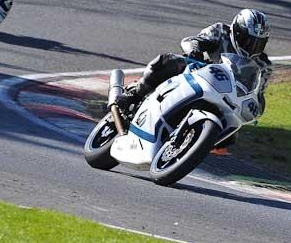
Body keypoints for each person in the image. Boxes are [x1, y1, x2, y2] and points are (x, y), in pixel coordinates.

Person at [115, 9, 272, 146]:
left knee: (230, 137)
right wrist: (195, 50)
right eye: (248, 39)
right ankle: (135, 94)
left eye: (258, 43)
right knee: (169, 61)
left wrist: (257, 105)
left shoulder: (263, 65)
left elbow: (257, 92)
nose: (251, 46)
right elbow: (192, 40)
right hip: (197, 74)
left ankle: (191, 145)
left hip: (225, 97)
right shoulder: (220, 31)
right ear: (237, 31)